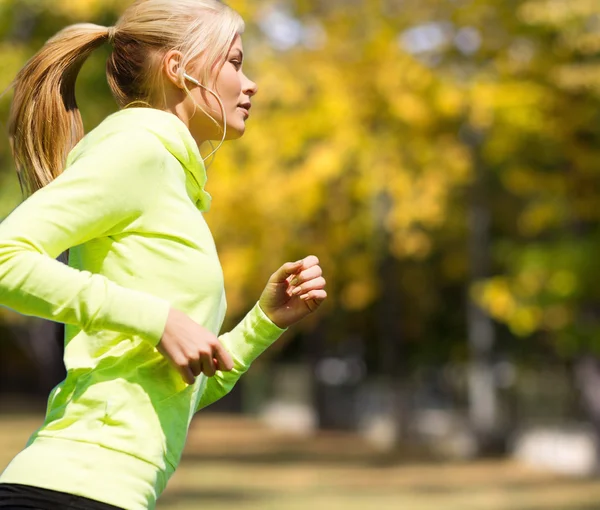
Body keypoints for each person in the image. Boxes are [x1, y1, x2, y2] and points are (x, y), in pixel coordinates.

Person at [0, 1, 327, 509]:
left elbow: (180, 389)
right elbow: (6, 258)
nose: (252, 83)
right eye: (235, 62)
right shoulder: (137, 153)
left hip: (111, 494)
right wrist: (157, 320)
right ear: (178, 70)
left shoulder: (173, 181)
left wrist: (263, 322)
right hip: (69, 489)